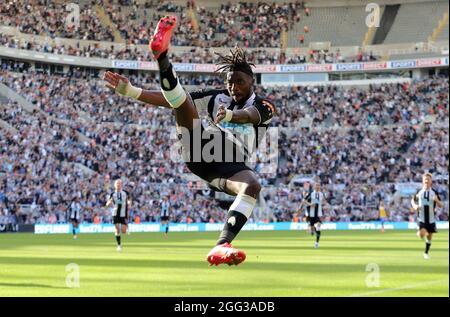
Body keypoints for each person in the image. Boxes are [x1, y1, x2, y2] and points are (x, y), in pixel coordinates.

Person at [103, 16, 275, 266]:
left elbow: (248, 115)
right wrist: (132, 92)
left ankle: (221, 246)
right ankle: (161, 56)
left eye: (240, 82)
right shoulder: (218, 97)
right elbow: (173, 99)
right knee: (182, 101)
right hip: (199, 150)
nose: (234, 87)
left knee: (252, 185)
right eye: (230, 83)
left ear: (252, 82)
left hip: (230, 165)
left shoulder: (264, 105)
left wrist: (230, 115)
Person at [411, 173, 443, 259]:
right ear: (423, 181)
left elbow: (441, 205)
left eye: (428, 179)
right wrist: (415, 206)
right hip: (421, 218)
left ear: (431, 181)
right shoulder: (419, 192)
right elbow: (413, 200)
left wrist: (437, 200)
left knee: (429, 238)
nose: (426, 181)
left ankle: (426, 252)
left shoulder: (434, 192)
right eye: (425, 179)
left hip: (431, 219)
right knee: (422, 234)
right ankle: (420, 232)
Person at [106, 179, 132, 252]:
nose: (118, 185)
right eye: (117, 184)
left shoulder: (125, 193)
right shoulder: (112, 194)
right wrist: (108, 203)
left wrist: (129, 204)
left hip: (123, 214)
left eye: (119, 183)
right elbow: (109, 201)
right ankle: (119, 245)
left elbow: (129, 199)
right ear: (115, 185)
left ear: (121, 185)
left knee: (123, 231)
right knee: (117, 230)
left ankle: (126, 227)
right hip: (115, 213)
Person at [300, 182, 327, 248]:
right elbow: (303, 200)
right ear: (314, 187)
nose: (318, 187)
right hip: (311, 214)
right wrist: (310, 204)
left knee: (318, 226)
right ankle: (312, 229)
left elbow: (324, 201)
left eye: (319, 185)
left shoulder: (321, 194)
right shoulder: (311, 193)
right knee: (313, 227)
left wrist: (323, 203)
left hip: (318, 213)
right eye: (316, 185)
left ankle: (316, 243)